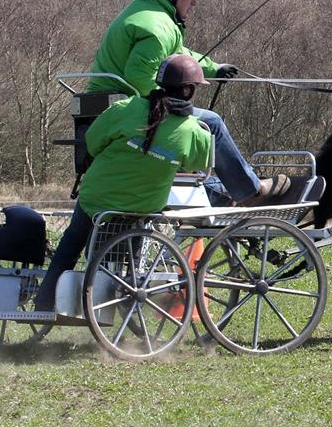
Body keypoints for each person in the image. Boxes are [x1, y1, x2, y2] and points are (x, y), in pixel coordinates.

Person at [87, 0, 288, 206]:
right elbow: (139, 76)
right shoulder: (157, 27)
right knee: (211, 122)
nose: (194, 3)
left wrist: (213, 67)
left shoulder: (150, 13)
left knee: (191, 129)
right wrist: (173, 106)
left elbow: (176, 54)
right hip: (127, 102)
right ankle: (250, 190)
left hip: (112, 100)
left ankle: (222, 195)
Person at [34, 54, 215, 311]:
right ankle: (128, 304)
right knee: (134, 253)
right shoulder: (195, 132)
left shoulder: (125, 109)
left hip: (96, 200)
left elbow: (94, 143)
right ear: (188, 90)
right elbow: (196, 166)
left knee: (72, 242)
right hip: (142, 207)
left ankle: (44, 302)